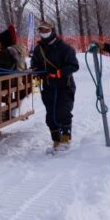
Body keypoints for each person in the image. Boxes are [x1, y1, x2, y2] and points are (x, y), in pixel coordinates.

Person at [30, 19, 78, 149]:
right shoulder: (38, 49)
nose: (43, 32)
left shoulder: (65, 48)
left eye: (46, 30)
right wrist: (36, 71)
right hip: (48, 86)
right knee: (50, 115)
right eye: (41, 30)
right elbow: (34, 64)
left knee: (63, 112)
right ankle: (56, 141)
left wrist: (60, 72)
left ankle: (66, 138)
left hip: (64, 86)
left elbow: (74, 65)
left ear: (52, 30)